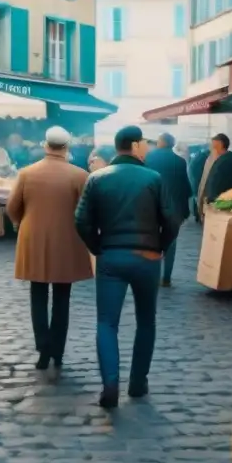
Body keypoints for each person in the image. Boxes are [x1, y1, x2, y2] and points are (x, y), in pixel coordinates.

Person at [74, 126, 180, 409]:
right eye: (144, 143)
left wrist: (97, 246)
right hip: (147, 258)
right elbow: (171, 220)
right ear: (134, 145)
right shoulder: (153, 179)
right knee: (146, 320)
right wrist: (159, 247)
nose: (146, 147)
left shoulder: (97, 179)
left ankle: (110, 382)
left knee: (107, 322)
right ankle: (137, 383)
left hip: (111, 257)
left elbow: (81, 220)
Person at [6, 127, 93, 373]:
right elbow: (87, 211)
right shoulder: (80, 175)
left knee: (38, 293)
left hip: (33, 238)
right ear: (67, 147)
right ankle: (58, 350)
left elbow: (12, 207)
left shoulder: (26, 173)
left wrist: (21, 221)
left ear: (46, 146)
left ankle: (43, 346)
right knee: (63, 297)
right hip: (67, 239)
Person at [145, 133, 192, 287]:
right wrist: (185, 210)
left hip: (152, 207)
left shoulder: (148, 158)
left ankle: (153, 274)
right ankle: (167, 277)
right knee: (171, 242)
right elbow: (185, 187)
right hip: (174, 209)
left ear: (160, 143)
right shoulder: (179, 162)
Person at [198, 134, 232, 218]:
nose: (211, 149)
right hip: (226, 204)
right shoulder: (228, 158)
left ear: (220, 145)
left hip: (224, 206)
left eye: (213, 146)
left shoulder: (225, 162)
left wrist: (210, 201)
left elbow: (217, 185)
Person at [187, 145, 209, 222]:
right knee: (199, 198)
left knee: (196, 197)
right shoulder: (203, 159)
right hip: (197, 181)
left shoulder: (198, 157)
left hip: (195, 180)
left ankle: (197, 215)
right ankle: (199, 216)